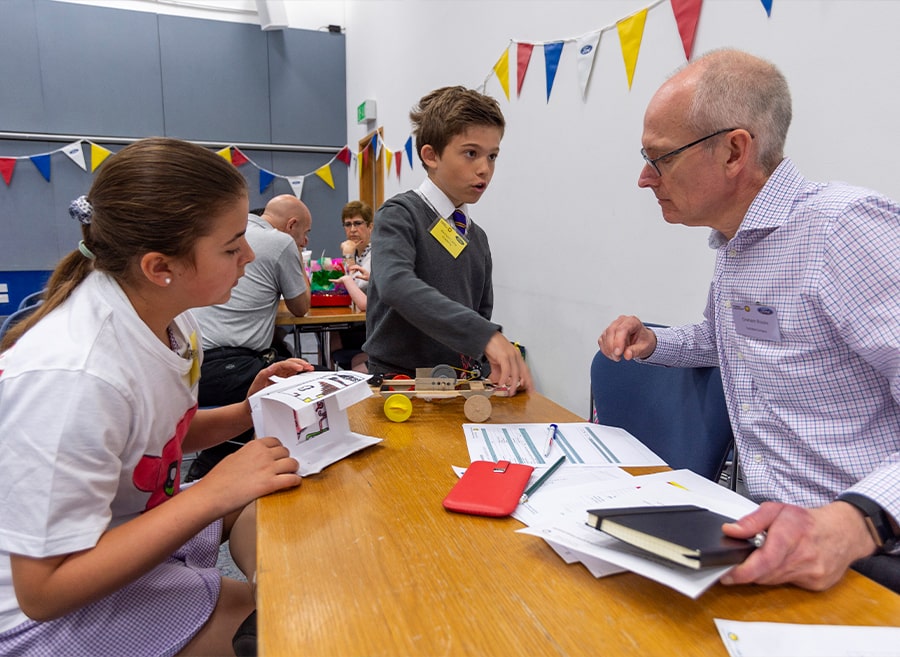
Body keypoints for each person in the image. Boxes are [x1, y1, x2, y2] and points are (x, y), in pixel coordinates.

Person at [597, 49, 900, 593]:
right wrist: (654, 343)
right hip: (763, 530)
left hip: (862, 552)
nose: (645, 178)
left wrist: (857, 520)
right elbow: (724, 340)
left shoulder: (845, 230)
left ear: (735, 151)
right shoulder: (738, 244)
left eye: (660, 157)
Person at [0, 137, 305, 656]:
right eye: (232, 247)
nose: (250, 257)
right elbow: (43, 592)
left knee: (278, 519)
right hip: (44, 610)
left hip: (128, 530)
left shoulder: (172, 319)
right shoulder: (75, 377)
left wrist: (246, 410)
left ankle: (262, 588)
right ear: (160, 267)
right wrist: (211, 492)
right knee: (276, 628)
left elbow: (160, 436)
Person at [364, 86, 533, 394]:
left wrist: (494, 368)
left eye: (492, 156)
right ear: (431, 156)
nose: (484, 168)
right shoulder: (400, 215)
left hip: (457, 387)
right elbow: (395, 284)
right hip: (399, 385)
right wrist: (485, 336)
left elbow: (480, 312)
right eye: (471, 153)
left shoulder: (476, 237)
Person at [187, 194, 315, 481]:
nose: (248, 256)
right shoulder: (280, 242)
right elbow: (301, 307)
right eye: (304, 234)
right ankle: (215, 463)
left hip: (197, 363)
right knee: (308, 385)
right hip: (225, 365)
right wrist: (295, 258)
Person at [332, 200, 373, 372]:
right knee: (331, 336)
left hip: (371, 322)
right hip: (358, 320)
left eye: (358, 223)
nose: (353, 230)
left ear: (370, 226)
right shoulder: (357, 253)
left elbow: (357, 286)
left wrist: (347, 256)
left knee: (334, 337)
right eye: (348, 225)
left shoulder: (376, 252)